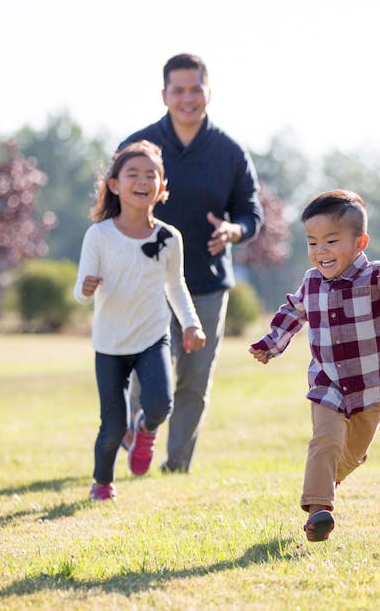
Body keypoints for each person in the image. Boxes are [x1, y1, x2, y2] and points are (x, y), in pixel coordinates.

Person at [249, 190, 380, 541]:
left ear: (360, 242)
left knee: (351, 455)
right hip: (327, 381)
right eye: (313, 242)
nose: (321, 251)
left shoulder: (379, 277)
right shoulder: (311, 281)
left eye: (331, 241)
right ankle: (319, 511)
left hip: (371, 388)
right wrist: (271, 344)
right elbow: (293, 312)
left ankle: (328, 476)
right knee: (325, 440)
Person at [117, 53, 263, 473]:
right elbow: (112, 206)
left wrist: (235, 231)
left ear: (208, 93)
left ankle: (176, 465)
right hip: (146, 282)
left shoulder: (230, 152)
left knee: (194, 382)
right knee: (147, 377)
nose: (187, 98)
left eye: (195, 89)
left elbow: (252, 212)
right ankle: (137, 440)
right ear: (164, 94)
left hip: (208, 285)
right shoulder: (138, 146)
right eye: (178, 90)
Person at [74, 140, 206, 500]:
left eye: (151, 174)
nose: (142, 180)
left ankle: (145, 429)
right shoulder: (98, 235)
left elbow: (175, 285)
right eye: (133, 173)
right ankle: (102, 484)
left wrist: (191, 323)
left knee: (161, 403)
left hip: (152, 336)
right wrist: (85, 289)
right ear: (114, 184)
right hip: (109, 343)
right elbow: (80, 290)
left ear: (162, 188)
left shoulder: (169, 237)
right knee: (112, 426)